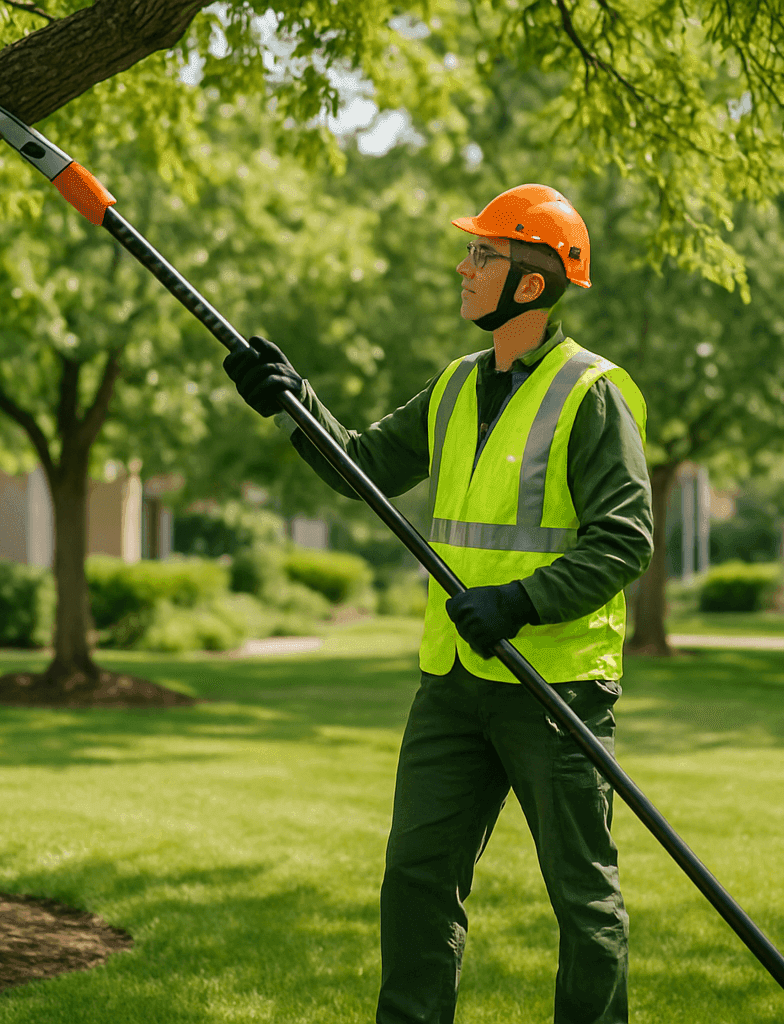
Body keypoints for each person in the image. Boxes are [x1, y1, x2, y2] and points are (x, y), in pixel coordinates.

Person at [223, 183, 652, 1024]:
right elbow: (361, 468)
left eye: (482, 255)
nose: (463, 267)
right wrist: (287, 401)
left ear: (529, 283)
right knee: (417, 881)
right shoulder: (457, 386)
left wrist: (521, 602)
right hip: (453, 684)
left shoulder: (593, 393)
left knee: (581, 898)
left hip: (554, 685)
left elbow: (624, 540)